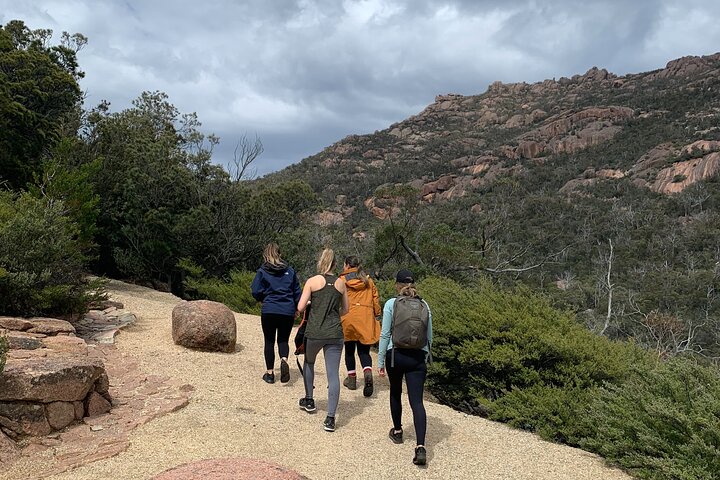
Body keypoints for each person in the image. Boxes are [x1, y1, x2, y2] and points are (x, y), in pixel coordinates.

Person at [378, 269, 433, 466]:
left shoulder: (392, 304)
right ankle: (420, 447)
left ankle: (398, 431)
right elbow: (429, 337)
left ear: (397, 284)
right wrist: (425, 357)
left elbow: (385, 334)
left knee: (395, 391)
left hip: (396, 356)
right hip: (417, 357)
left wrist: (380, 362)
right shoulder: (424, 304)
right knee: (417, 402)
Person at [296, 248, 349, 432]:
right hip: (335, 333)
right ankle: (330, 418)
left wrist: (313, 304)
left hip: (315, 332)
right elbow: (345, 310)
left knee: (309, 362)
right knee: (333, 374)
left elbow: (301, 307)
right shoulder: (341, 283)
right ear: (335, 264)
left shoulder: (312, 281)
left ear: (320, 262)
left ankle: (309, 399)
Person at [251, 243, 302, 384]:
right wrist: (297, 308)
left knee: (269, 341)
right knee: (283, 340)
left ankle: (270, 374)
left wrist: (262, 299)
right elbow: (297, 292)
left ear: (266, 255)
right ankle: (284, 359)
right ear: (280, 254)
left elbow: (255, 290)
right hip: (287, 310)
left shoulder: (262, 271)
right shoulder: (290, 271)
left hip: (269, 309)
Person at [339, 256, 381, 397]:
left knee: (349, 351)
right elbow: (375, 300)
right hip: (365, 318)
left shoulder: (342, 281)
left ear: (346, 265)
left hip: (348, 317)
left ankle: (351, 380)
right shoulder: (368, 281)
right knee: (364, 352)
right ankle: (367, 373)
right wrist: (376, 314)